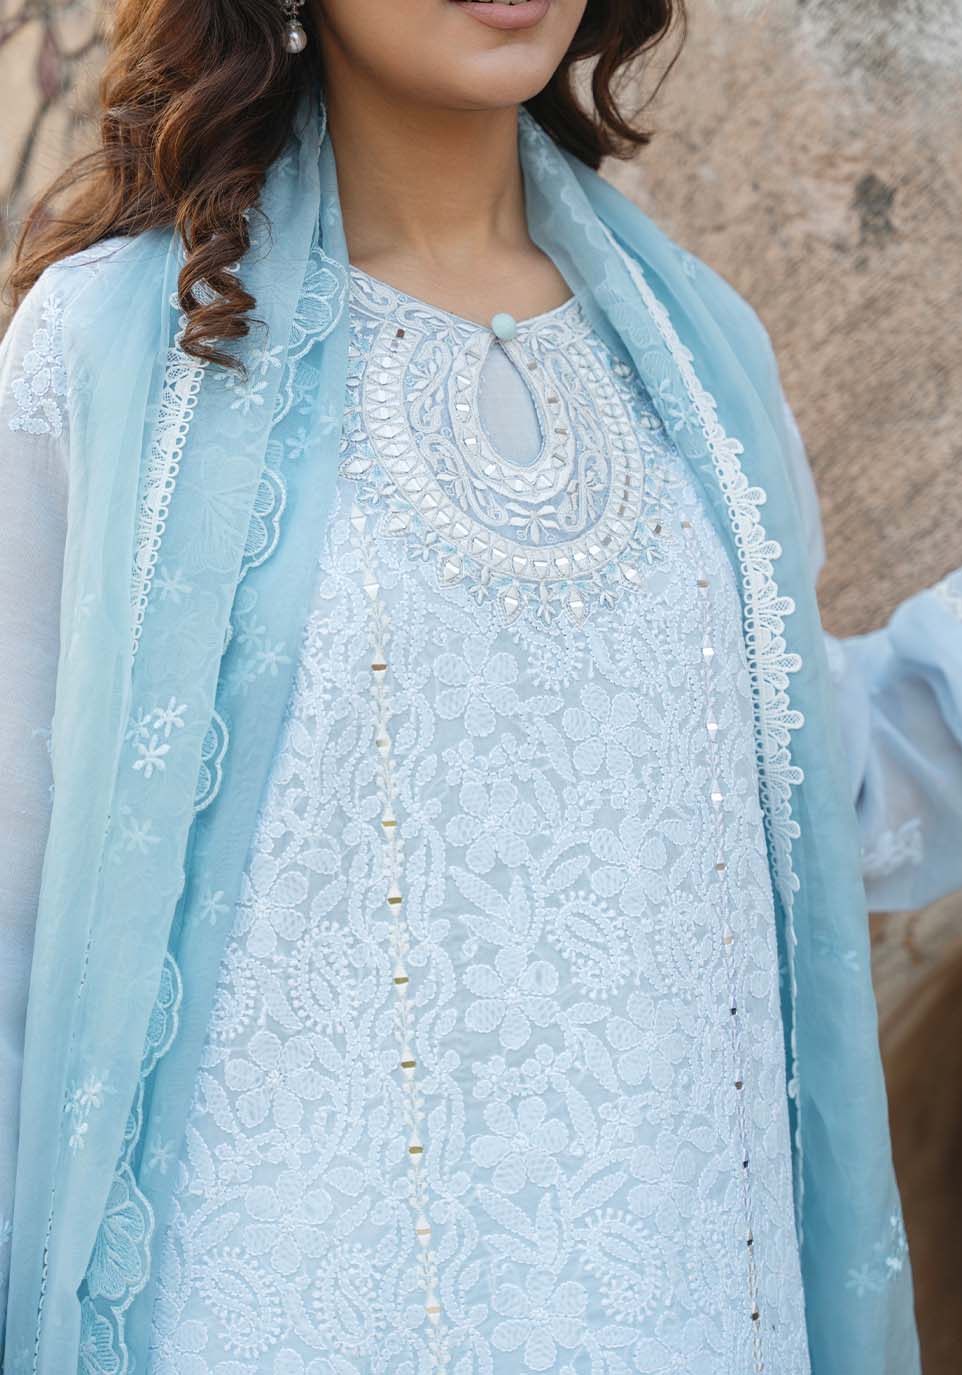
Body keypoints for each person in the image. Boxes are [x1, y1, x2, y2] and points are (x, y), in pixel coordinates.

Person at [0, 0, 959, 1371]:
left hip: (690, 1311)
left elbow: (806, 790)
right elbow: (19, 918)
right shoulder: (117, 352)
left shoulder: (699, 356)